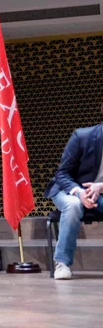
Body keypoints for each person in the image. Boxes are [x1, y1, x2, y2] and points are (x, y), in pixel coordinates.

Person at [44, 107, 103, 280]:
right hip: (70, 189)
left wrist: (100, 186)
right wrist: (79, 192)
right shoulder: (83, 136)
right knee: (74, 205)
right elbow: (62, 174)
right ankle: (62, 263)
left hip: (99, 193)